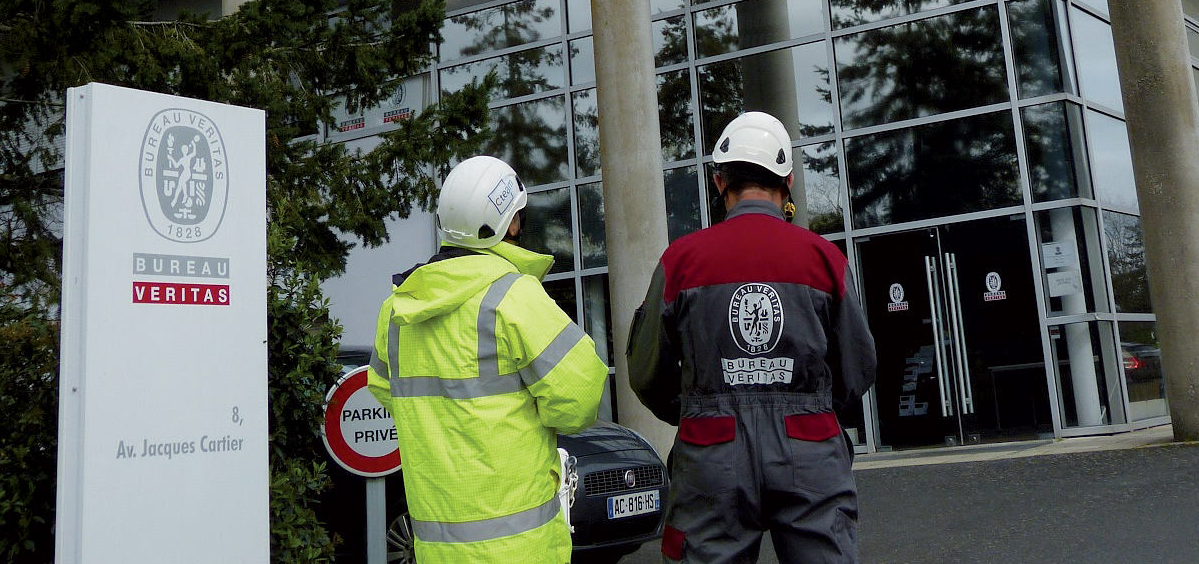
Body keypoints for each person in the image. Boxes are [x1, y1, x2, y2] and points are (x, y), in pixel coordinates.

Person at [627, 112, 877, 563]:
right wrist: (812, 404)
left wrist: (692, 409)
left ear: (720, 182)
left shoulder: (681, 261)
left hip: (711, 448)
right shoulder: (824, 259)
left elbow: (647, 372)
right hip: (808, 446)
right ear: (788, 182)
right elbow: (858, 366)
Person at [368, 154, 608, 563]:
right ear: (510, 224)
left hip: (436, 552)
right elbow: (580, 399)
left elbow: (385, 391)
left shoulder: (396, 310)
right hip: (521, 549)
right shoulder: (515, 298)